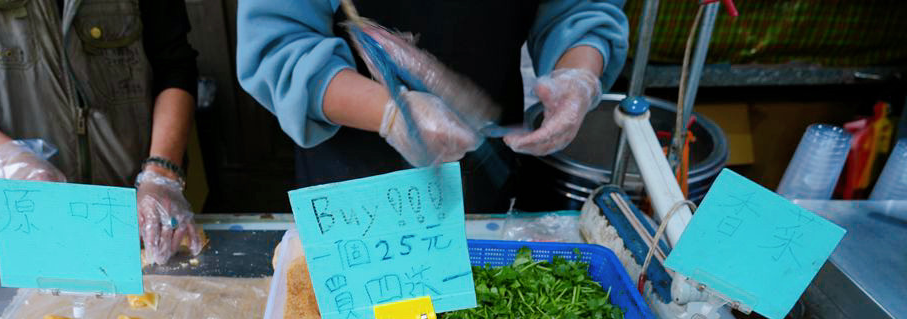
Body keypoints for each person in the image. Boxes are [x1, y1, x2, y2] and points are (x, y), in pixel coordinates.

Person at [0, 0, 201, 264]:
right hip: (24, 210)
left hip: (144, 204)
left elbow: (173, 60)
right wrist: (7, 159)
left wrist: (162, 173)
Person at [237, 1, 627, 213]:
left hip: (480, 176)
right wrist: (392, 114)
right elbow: (279, 42)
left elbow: (581, 8)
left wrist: (577, 76)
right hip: (354, 190)